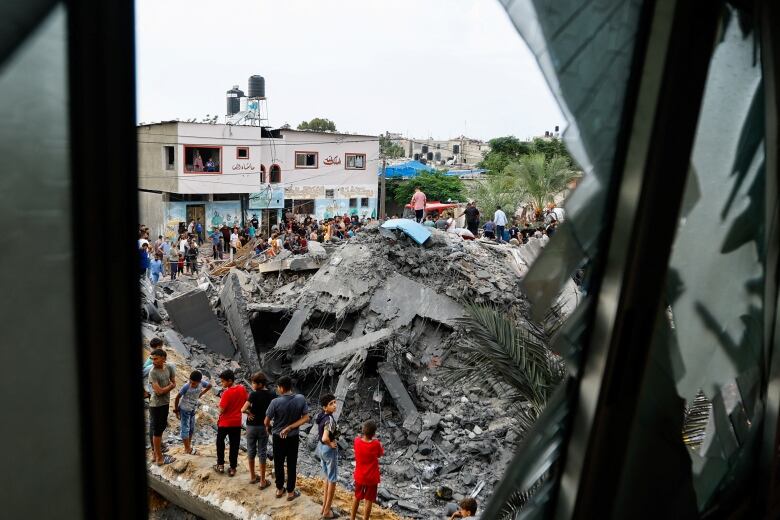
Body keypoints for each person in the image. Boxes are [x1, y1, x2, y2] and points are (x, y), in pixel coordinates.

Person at [264, 375, 310, 501]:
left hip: (278, 437)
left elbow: (266, 421)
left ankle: (279, 489)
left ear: (281, 388)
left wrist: (269, 428)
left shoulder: (275, 402)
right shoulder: (300, 399)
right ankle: (290, 492)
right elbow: (306, 418)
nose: (277, 390)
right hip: (293, 437)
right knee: (291, 464)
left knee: (278, 463)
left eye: (278, 387)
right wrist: (290, 427)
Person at [241, 372, 275, 489]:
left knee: (251, 451)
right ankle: (262, 481)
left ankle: (252, 477)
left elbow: (243, 409)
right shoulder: (272, 394)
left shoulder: (253, 395)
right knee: (262, 452)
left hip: (251, 427)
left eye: (254, 383)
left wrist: (249, 413)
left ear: (260, 384)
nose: (252, 385)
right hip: (263, 426)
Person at [213, 369, 247, 477]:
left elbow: (221, 410)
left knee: (220, 442)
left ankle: (221, 464)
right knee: (234, 445)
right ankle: (232, 468)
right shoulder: (242, 389)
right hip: (236, 422)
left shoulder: (226, 393)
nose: (222, 384)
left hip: (225, 423)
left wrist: (220, 405)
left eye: (223, 381)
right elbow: (245, 403)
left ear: (230, 381)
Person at [148, 342, 176, 466]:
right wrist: (169, 387)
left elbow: (174, 382)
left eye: (156, 358)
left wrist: (168, 387)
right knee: (157, 431)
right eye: (152, 359)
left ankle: (155, 454)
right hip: (155, 405)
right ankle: (159, 458)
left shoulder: (169, 367)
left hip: (165, 403)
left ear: (163, 358)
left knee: (161, 428)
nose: (153, 361)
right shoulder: (152, 372)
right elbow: (158, 392)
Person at [351, 420, 384, 520]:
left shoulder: (356, 441)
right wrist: (379, 444)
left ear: (363, 431)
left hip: (360, 476)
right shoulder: (376, 444)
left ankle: (352, 518)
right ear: (374, 433)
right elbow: (379, 454)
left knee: (356, 497)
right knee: (369, 500)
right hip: (371, 477)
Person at [173, 370, 211, 455]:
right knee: (185, 428)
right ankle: (187, 449)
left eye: (194, 383)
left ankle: (188, 445)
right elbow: (177, 397)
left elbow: (209, 385)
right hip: (184, 410)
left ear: (199, 381)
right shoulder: (186, 386)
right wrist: (176, 411)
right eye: (190, 382)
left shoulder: (202, 383)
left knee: (191, 428)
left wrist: (201, 393)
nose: (191, 384)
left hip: (193, 409)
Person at [316, 394, 339, 519]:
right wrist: (331, 443)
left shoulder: (321, 416)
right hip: (328, 450)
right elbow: (325, 437)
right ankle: (327, 511)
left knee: (327, 478)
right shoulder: (329, 419)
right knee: (333, 480)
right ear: (325, 407)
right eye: (331, 404)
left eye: (335, 402)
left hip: (321, 449)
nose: (334, 405)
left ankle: (324, 506)